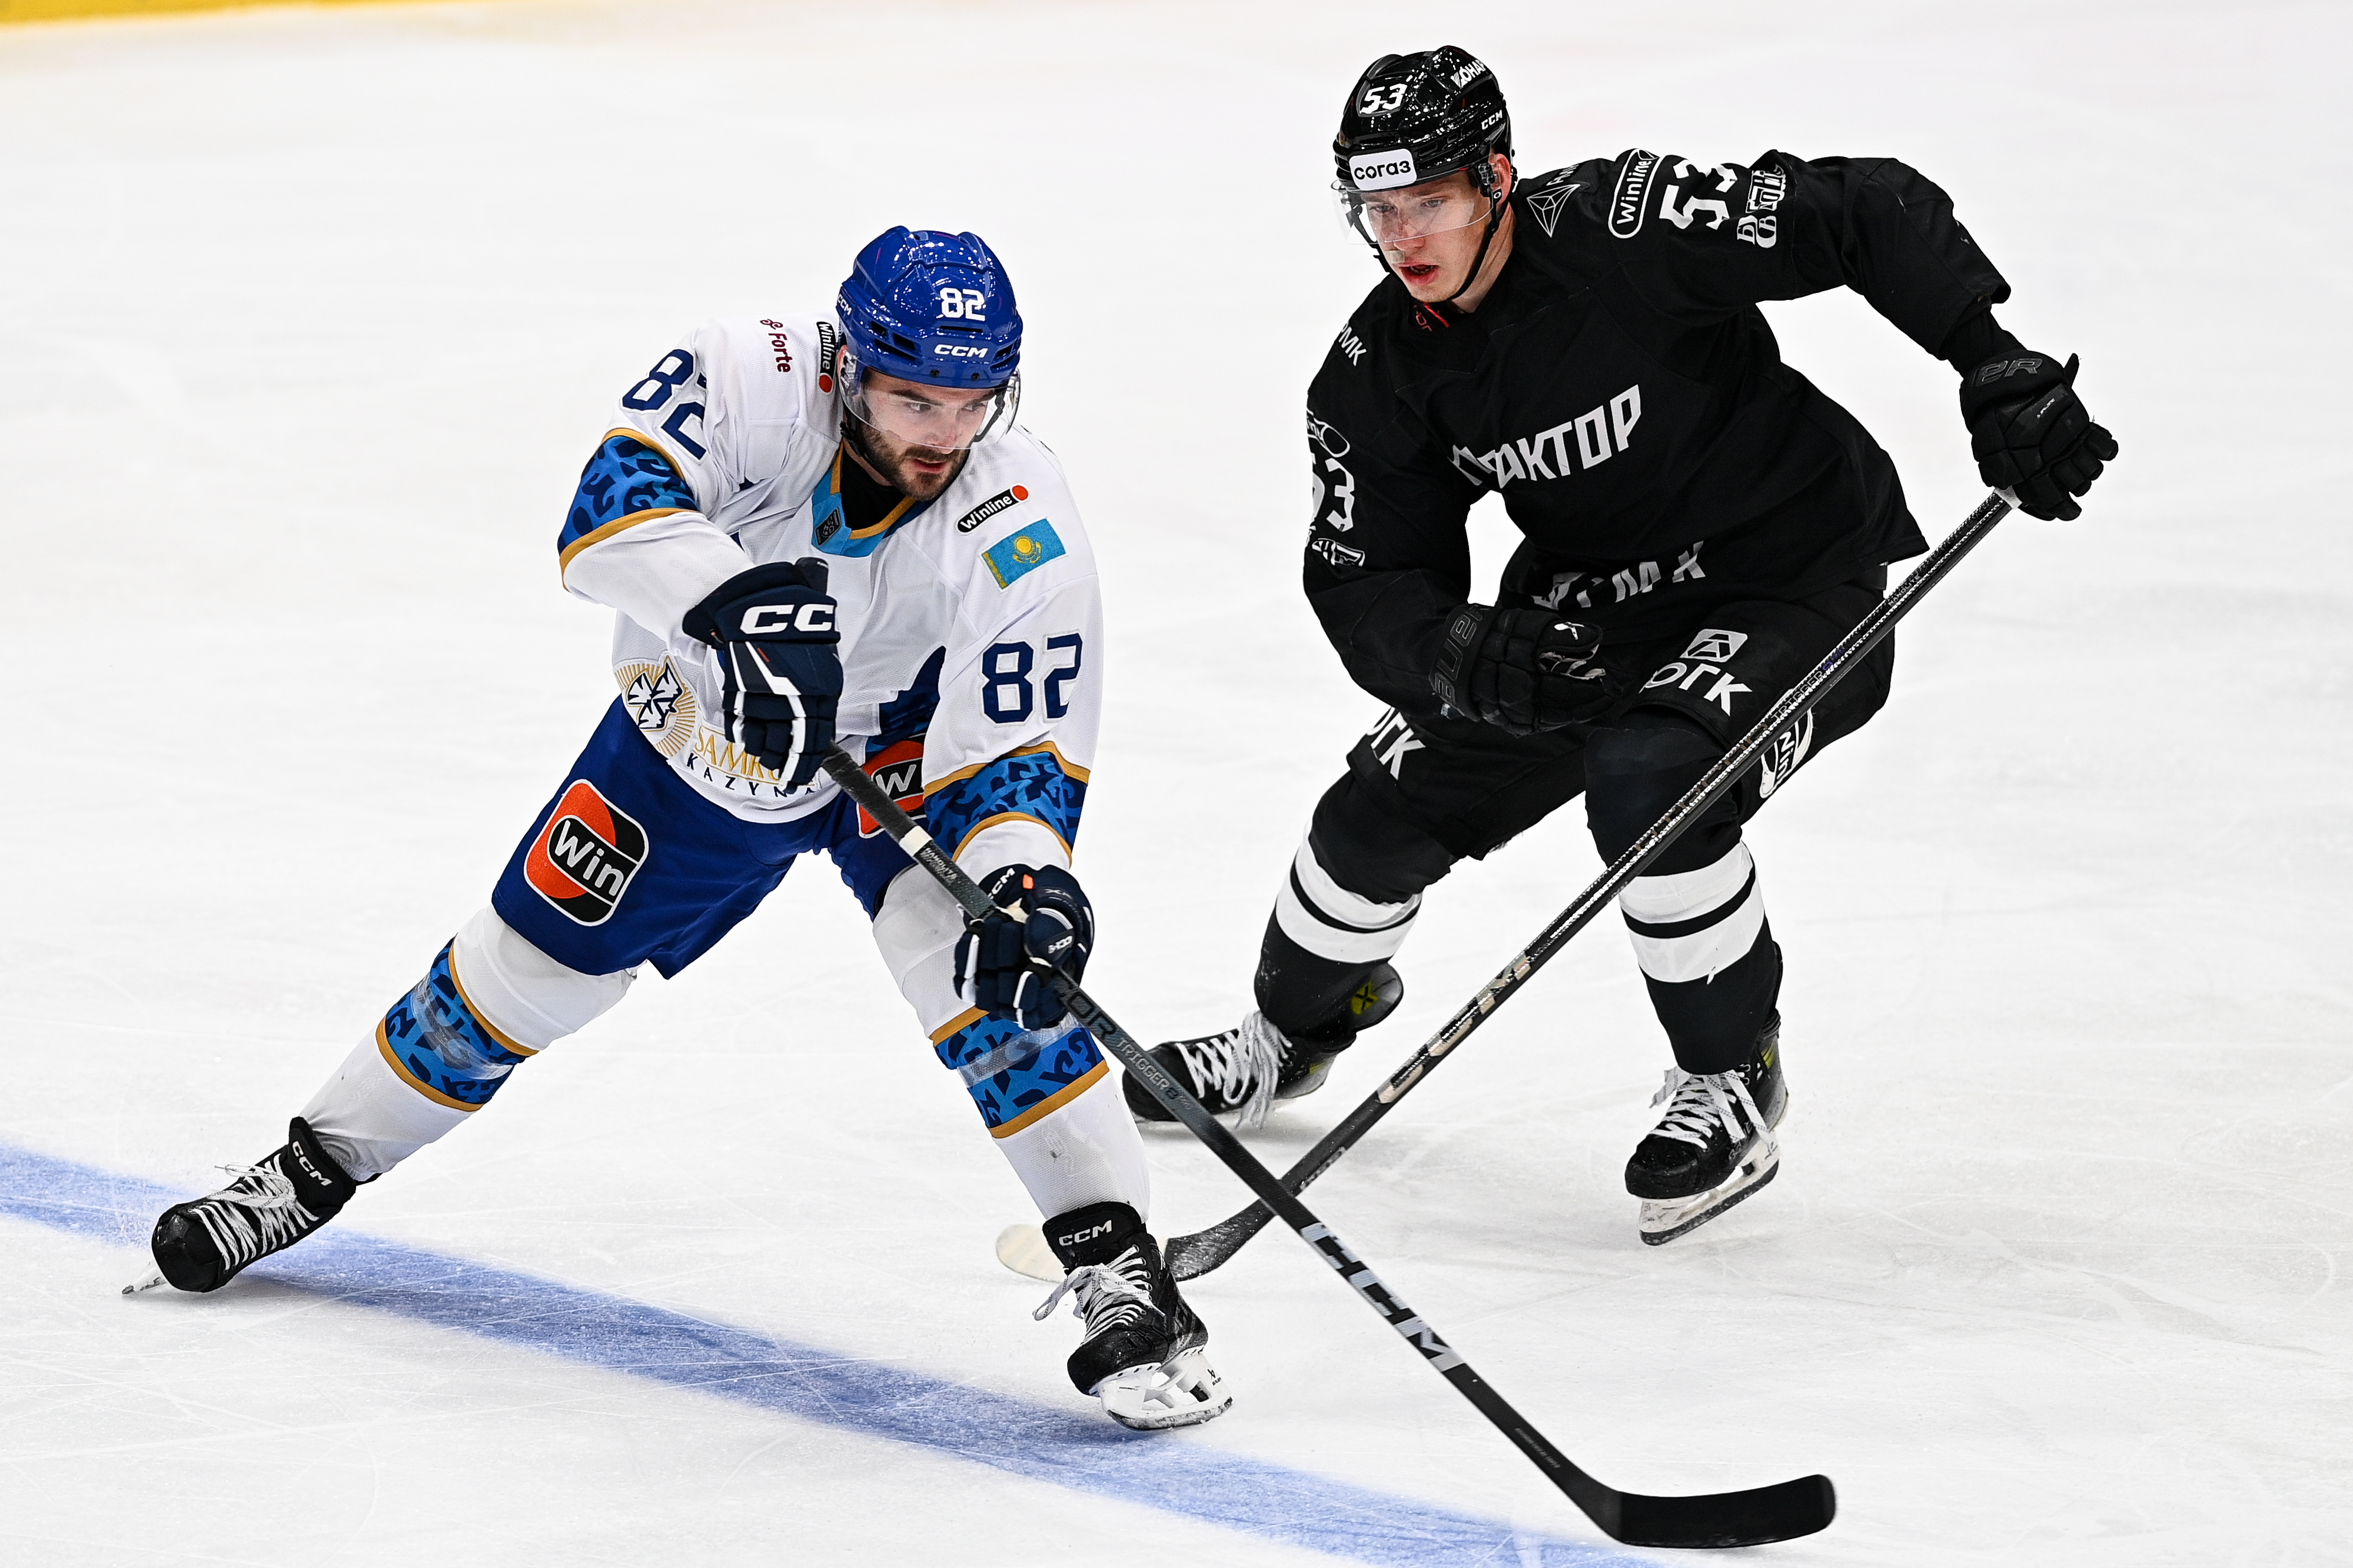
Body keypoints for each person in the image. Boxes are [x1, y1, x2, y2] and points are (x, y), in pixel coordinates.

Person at [133, 228, 1230, 1431]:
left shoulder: (1019, 512)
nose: (943, 432)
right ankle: (309, 1169)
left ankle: (1125, 1274)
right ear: (847, 364)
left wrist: (1024, 879)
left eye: (972, 403)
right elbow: (607, 505)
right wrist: (733, 610)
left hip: (913, 754)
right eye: (913, 396)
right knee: (517, 975)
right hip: (708, 733)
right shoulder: (751, 376)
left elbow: (1017, 743)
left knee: (992, 970)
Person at [1128, 48, 2116, 1245]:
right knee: (1372, 818)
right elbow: (1365, 576)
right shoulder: (1375, 372)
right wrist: (1460, 651)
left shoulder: (1626, 224)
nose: (1402, 237)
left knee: (1653, 779)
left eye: (1428, 199)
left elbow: (1863, 209)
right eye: (1377, 208)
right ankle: (1290, 1037)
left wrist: (1989, 357)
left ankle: (1731, 1074)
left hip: (1789, 576)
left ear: (1496, 177)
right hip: (1593, 609)